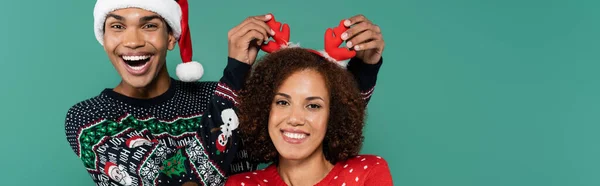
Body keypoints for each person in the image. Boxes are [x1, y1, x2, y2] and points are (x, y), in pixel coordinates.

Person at [63, 0, 384, 185]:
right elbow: (173, 180)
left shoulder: (216, 98)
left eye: (149, 25)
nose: (132, 41)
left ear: (171, 37)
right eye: (117, 26)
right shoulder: (90, 121)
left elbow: (301, 127)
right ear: (103, 38)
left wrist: (364, 68)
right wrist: (235, 73)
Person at [225, 16, 391, 185]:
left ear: (333, 115)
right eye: (282, 102)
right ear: (265, 109)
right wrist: (236, 70)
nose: (295, 119)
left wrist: (366, 69)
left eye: (313, 105)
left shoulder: (367, 173)